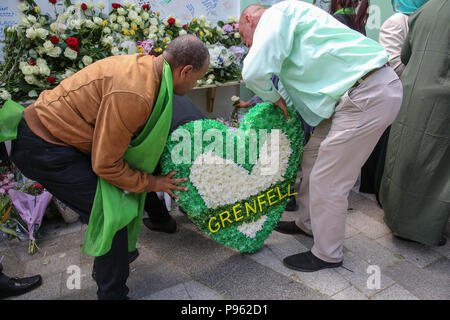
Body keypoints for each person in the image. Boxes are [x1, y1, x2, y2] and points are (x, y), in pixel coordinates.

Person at [8, 35, 210, 299]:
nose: (196, 85)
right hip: (45, 146)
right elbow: (107, 165)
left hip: (60, 140)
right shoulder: (136, 93)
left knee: (117, 202)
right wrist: (153, 182)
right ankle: (113, 293)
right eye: (197, 78)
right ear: (185, 71)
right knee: (111, 212)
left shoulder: (148, 68)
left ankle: (112, 259)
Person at [239, 2, 402, 272]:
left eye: (243, 37)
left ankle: (328, 254)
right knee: (311, 157)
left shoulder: (276, 15)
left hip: (366, 93)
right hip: (354, 96)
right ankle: (308, 224)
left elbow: (253, 72)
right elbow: (297, 84)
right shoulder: (290, 23)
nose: (246, 43)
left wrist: (272, 97)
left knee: (329, 178)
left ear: (249, 19)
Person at [379, 0, 449, 247]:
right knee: (436, 170)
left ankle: (395, 216)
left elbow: (406, 54)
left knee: (404, 158)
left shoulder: (424, 10)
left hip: (412, 93)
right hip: (442, 103)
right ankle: (420, 227)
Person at [143, 94, 207, 232]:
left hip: (182, 144)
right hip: (206, 143)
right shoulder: (172, 93)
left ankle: (161, 220)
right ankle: (189, 207)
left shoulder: (142, 100)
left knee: (135, 175)